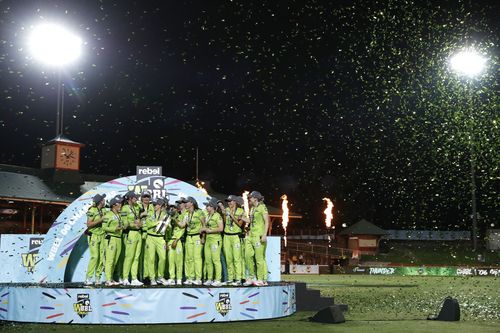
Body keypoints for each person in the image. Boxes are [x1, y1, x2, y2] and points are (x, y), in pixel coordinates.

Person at [243, 191, 269, 286]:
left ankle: (261, 279)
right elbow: (251, 220)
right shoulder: (252, 208)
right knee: (247, 256)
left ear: (255, 198)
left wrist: (264, 234)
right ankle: (251, 277)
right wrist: (242, 218)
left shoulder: (262, 207)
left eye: (251, 197)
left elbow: (267, 221)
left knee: (259, 258)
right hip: (250, 236)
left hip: (258, 236)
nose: (249, 199)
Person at [219, 195, 245, 286]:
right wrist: (225, 214)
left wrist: (231, 215)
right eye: (228, 201)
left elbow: (240, 224)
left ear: (235, 202)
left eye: (231, 201)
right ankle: (230, 278)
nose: (229, 203)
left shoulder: (241, 211)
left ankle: (238, 278)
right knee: (228, 259)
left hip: (236, 236)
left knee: (236, 258)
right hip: (226, 236)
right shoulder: (226, 209)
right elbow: (226, 222)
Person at [179, 196, 205, 285]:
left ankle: (198, 278)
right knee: (188, 258)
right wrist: (174, 219)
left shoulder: (199, 212)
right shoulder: (186, 214)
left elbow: (203, 225)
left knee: (197, 258)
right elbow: (182, 225)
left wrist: (203, 237)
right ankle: (189, 277)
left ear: (192, 203)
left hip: (197, 237)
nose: (185, 204)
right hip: (189, 237)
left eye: (187, 202)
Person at [144, 198, 169, 285]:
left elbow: (166, 227)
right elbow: (148, 224)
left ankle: (160, 277)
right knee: (151, 259)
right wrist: (159, 221)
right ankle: (152, 278)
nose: (154, 206)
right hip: (150, 238)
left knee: (163, 258)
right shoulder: (150, 213)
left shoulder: (165, 214)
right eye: (153, 204)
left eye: (156, 205)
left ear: (160, 206)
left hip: (160, 238)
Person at [120, 191, 144, 286]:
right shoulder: (125, 208)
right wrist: (135, 225)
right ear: (130, 198)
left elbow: (138, 219)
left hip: (138, 233)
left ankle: (134, 278)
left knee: (136, 257)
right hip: (131, 233)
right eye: (135, 197)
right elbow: (125, 224)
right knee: (129, 256)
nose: (136, 199)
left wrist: (140, 223)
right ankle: (125, 277)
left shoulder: (137, 207)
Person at [84, 193, 107, 285]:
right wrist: (100, 220)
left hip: (102, 235)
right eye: (103, 199)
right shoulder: (92, 210)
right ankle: (88, 278)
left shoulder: (105, 210)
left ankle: (98, 277)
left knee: (101, 257)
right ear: (101, 201)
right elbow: (88, 224)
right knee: (95, 257)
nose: (105, 201)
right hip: (94, 235)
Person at [102, 195, 124, 286]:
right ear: (114, 205)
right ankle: (107, 280)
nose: (121, 205)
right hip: (111, 238)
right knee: (110, 260)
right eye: (119, 203)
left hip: (118, 238)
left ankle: (111, 278)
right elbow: (104, 227)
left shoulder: (119, 215)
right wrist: (114, 229)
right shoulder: (108, 215)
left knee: (115, 260)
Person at [201, 198, 224, 287]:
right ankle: (210, 279)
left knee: (216, 260)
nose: (206, 207)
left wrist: (210, 230)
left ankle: (218, 279)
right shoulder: (207, 215)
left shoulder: (217, 216)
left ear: (213, 207)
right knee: (208, 260)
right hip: (208, 240)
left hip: (215, 240)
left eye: (208, 206)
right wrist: (204, 230)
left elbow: (221, 228)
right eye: (206, 206)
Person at [166, 198, 187, 285]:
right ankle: (172, 278)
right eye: (171, 207)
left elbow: (182, 228)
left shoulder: (184, 215)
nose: (172, 209)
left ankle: (179, 278)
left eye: (174, 207)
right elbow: (168, 229)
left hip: (178, 241)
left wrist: (177, 239)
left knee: (179, 261)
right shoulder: (172, 216)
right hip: (171, 239)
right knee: (170, 260)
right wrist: (167, 241)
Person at [139, 191, 154, 282]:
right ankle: (138, 275)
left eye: (147, 197)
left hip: (149, 232)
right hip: (140, 232)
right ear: (141, 198)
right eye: (144, 197)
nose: (146, 199)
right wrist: (141, 215)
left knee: (148, 255)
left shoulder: (152, 206)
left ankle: (146, 275)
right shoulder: (138, 206)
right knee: (139, 256)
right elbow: (134, 218)